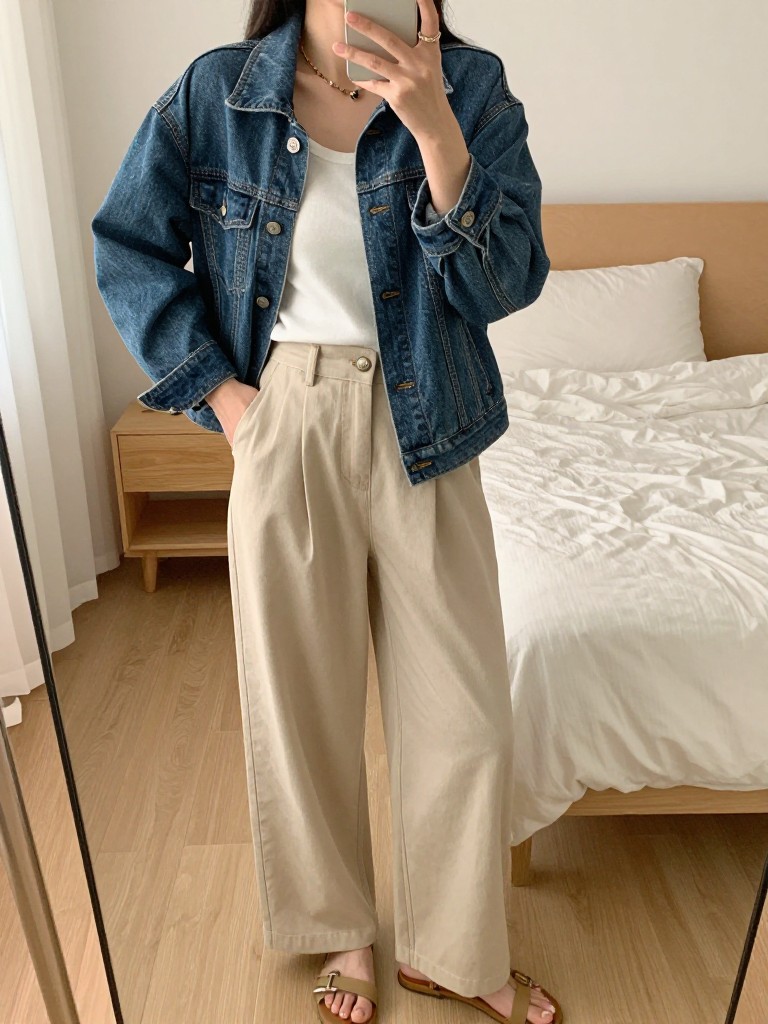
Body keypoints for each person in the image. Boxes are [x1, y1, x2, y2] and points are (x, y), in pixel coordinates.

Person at [92, 1, 560, 1021]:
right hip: (284, 417)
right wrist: (224, 396)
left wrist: (435, 126)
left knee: (466, 713)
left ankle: (456, 944)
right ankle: (344, 927)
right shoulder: (219, 89)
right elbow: (125, 244)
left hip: (430, 416)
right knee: (300, 700)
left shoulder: (472, 90)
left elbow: (508, 280)